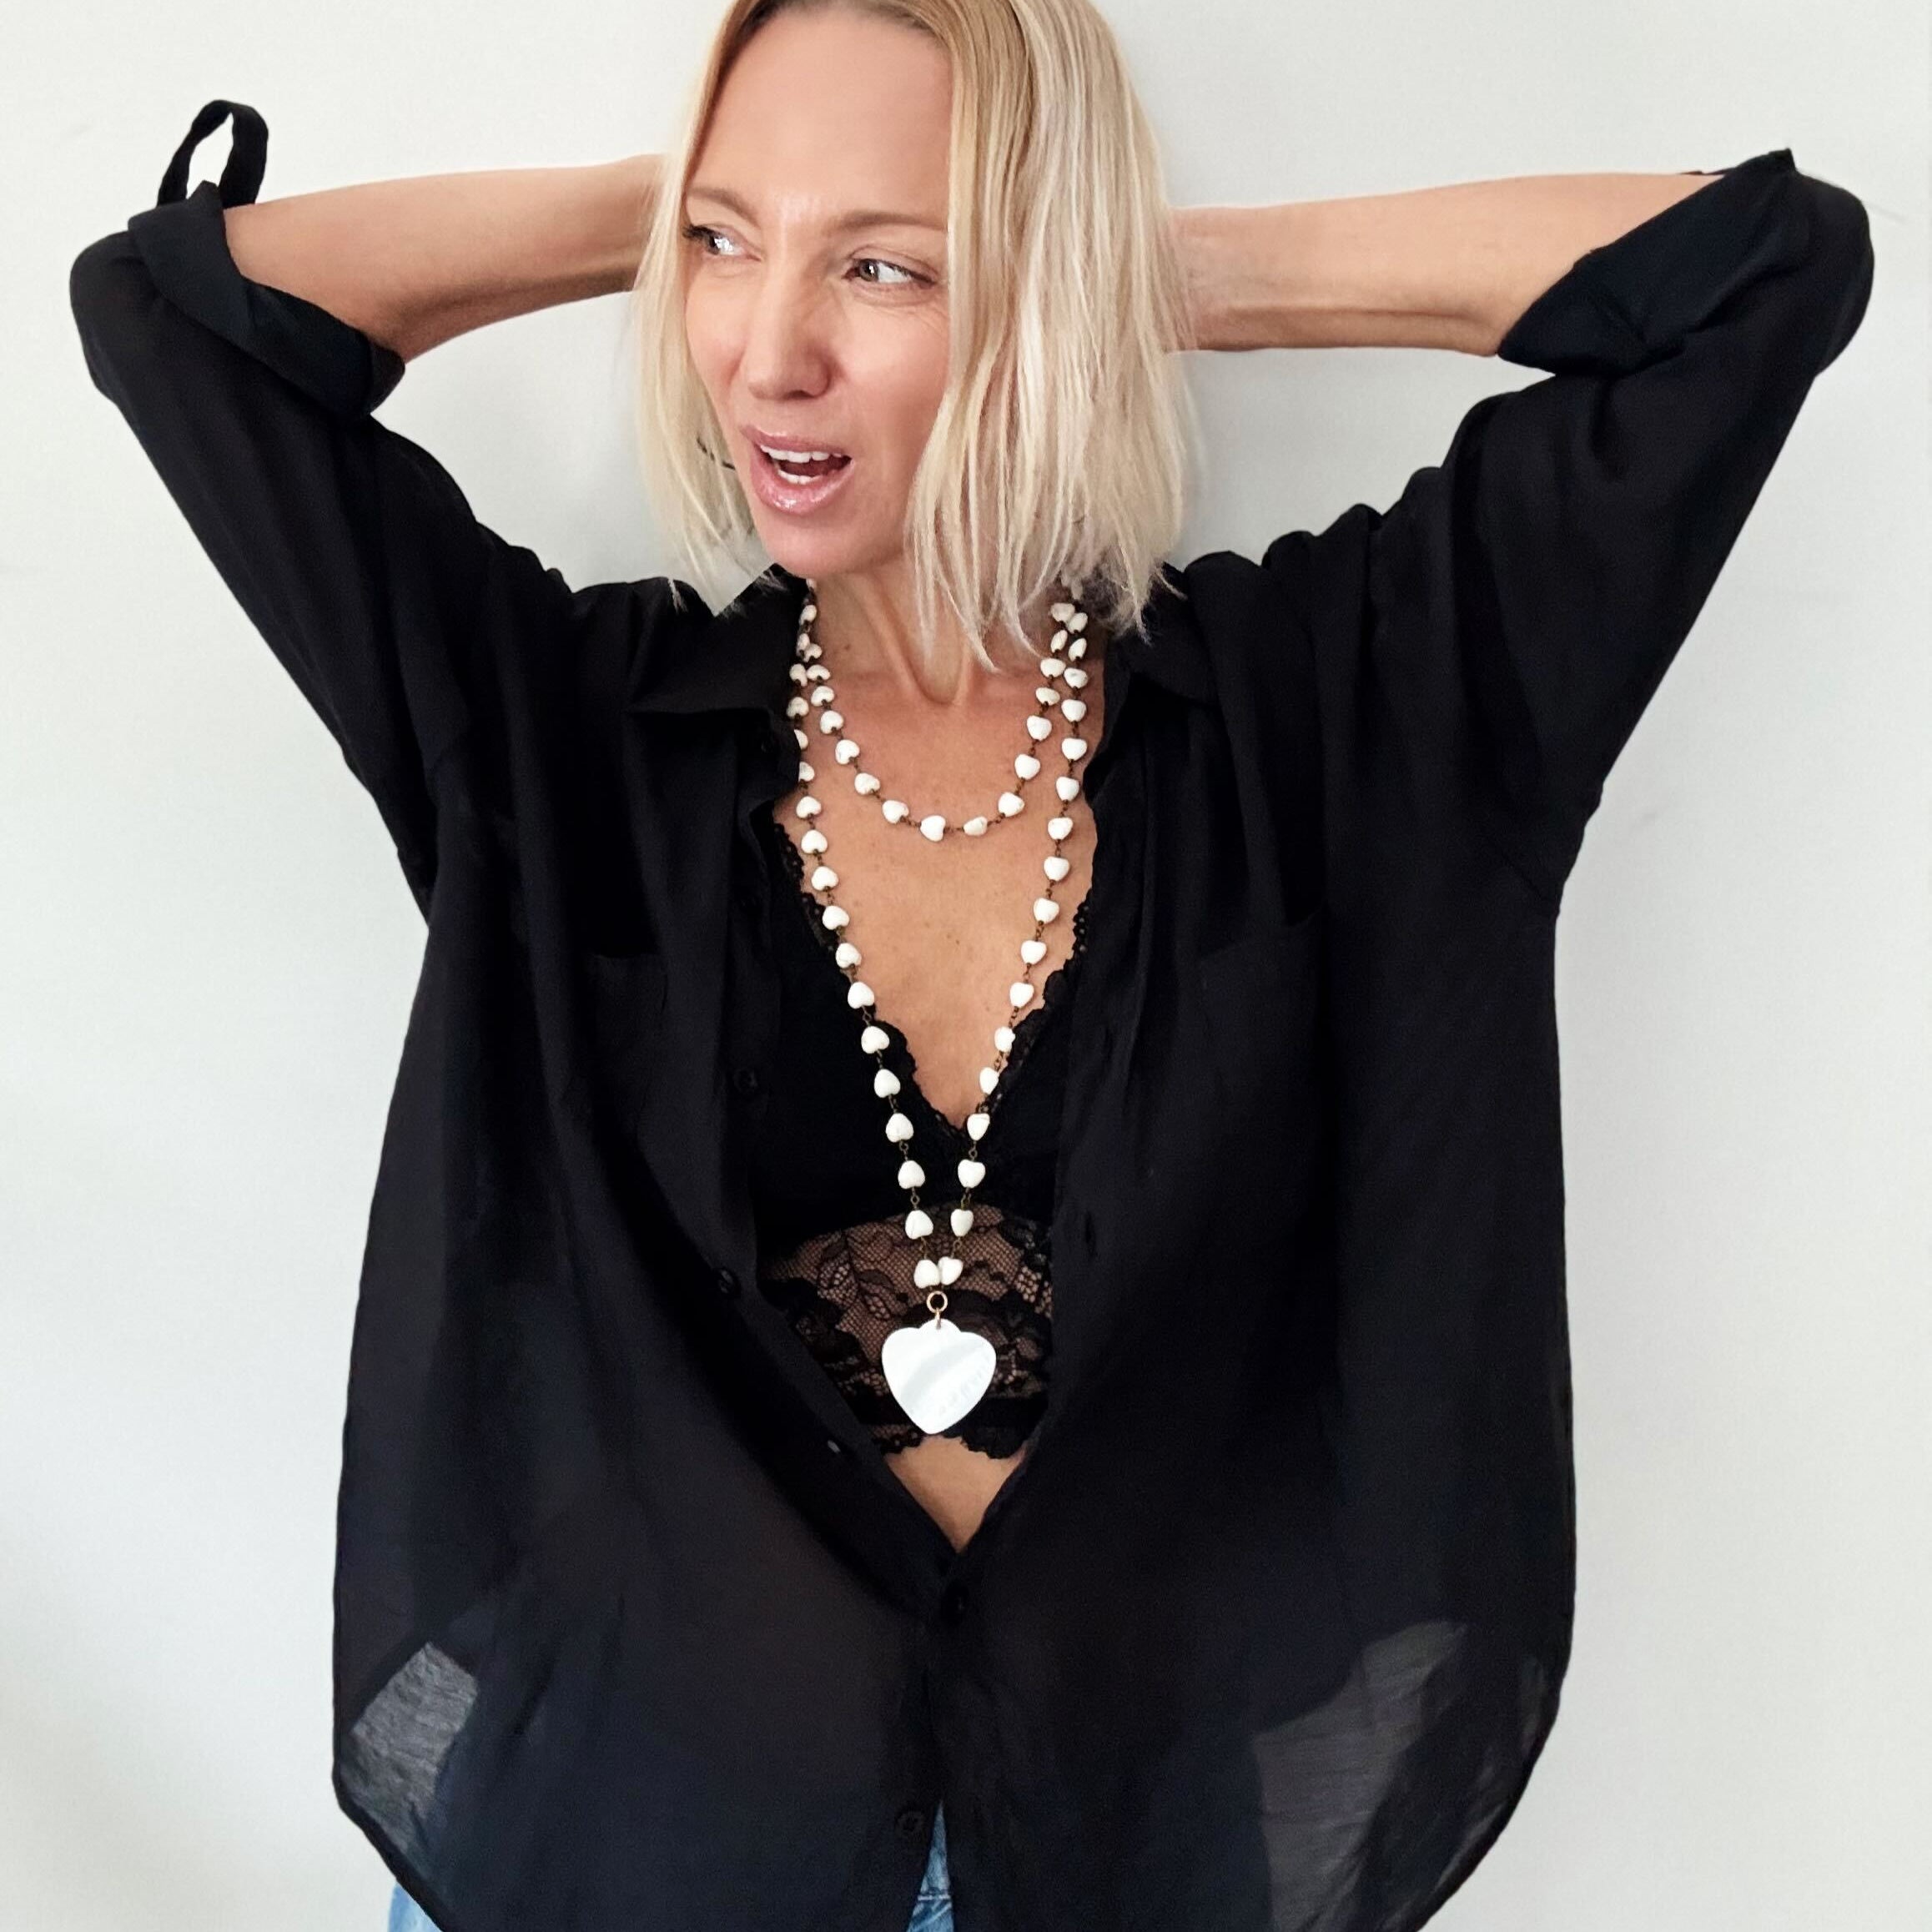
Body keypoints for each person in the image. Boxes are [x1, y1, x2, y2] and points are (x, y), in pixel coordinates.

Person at [67, 0, 1874, 1924]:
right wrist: (687, 202)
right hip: (620, 1834)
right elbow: (168, 317)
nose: (770, 353)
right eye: (724, 250)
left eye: (884, 267)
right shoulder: (557, 737)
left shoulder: (1353, 716)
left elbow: (1763, 273)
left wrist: (1110, 264)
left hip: (1137, 1849)